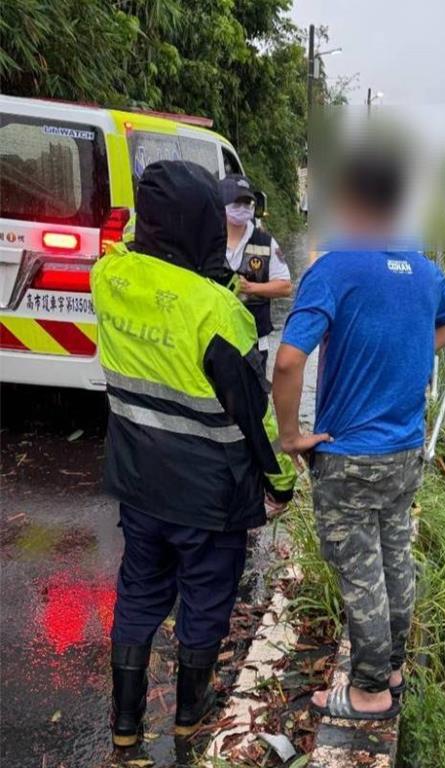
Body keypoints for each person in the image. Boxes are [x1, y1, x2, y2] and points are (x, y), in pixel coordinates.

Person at [93, 160, 296, 747]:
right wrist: (280, 482)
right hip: (209, 494)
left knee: (138, 591)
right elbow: (253, 414)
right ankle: (190, 713)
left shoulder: (110, 279)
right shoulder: (219, 312)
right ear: (206, 225)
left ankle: (126, 727)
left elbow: (132, 259)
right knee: (206, 597)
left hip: (138, 479)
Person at [272, 140, 445, 720]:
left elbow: (287, 361)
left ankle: (369, 690)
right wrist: (414, 355)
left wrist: (291, 437)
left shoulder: (333, 267)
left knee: (361, 574)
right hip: (405, 451)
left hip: (348, 455)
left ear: (349, 197)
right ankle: (395, 665)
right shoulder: (422, 270)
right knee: (394, 559)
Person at [222, 174, 292, 373]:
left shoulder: (266, 242)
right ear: (222, 203)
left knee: (253, 400)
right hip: (215, 337)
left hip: (254, 341)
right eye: (237, 203)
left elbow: (285, 286)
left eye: (247, 203)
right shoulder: (209, 240)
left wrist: (251, 288)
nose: (243, 208)